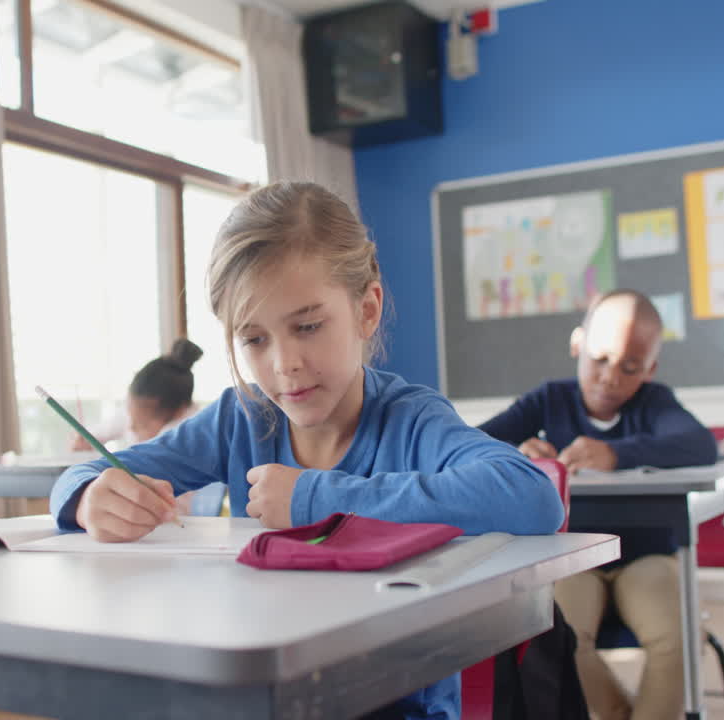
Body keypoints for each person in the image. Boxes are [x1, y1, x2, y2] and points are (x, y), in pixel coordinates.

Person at [51, 181, 564, 720]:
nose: (284, 363)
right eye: (254, 339)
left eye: (309, 326)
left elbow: (531, 497)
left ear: (366, 311)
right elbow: (89, 473)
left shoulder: (411, 420)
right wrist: (88, 497)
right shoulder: (240, 418)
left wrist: (315, 499)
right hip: (262, 694)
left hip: (396, 702)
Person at [478, 290, 717, 720]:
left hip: (645, 557)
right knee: (554, 632)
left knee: (678, 638)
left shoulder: (655, 403)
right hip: (573, 556)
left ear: (650, 370)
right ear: (577, 344)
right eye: (600, 359)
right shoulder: (549, 400)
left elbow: (700, 444)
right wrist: (518, 452)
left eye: (630, 368)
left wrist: (616, 454)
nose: (610, 378)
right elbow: (474, 443)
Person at [69, 338, 204, 451]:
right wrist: (86, 441)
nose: (131, 428)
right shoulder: (135, 414)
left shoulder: (187, 432)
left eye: (143, 425)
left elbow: (154, 457)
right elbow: (96, 435)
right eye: (130, 414)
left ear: (179, 413)